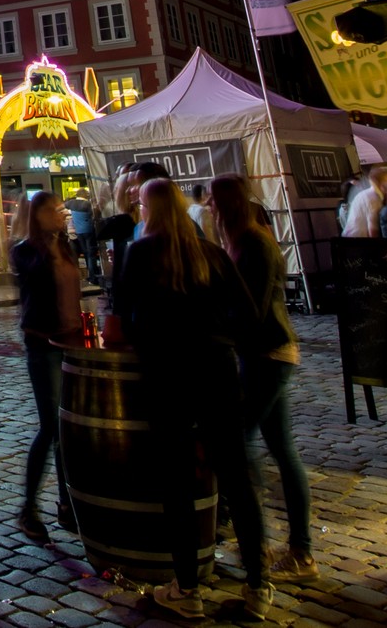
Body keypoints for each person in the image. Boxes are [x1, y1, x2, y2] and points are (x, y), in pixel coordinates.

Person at [115, 177, 269, 621]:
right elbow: (250, 314)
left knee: (177, 481)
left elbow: (122, 318)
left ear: (149, 209)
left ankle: (187, 587)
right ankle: (258, 585)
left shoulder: (141, 253)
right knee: (236, 479)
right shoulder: (211, 253)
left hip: (168, 376)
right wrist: (219, 336)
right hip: (217, 371)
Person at [211, 175, 315, 584]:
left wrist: (215, 319)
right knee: (281, 449)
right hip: (269, 351)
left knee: (238, 443)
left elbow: (250, 310)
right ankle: (296, 548)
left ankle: (264, 539)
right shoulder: (248, 240)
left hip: (267, 353)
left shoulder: (252, 244)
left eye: (216, 205)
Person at [11, 190, 82, 542]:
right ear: (37, 216)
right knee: (50, 425)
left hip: (71, 341)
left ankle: (67, 502)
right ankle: (29, 506)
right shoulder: (26, 252)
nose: (61, 214)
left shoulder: (66, 247)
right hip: (43, 343)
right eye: (54, 210)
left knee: (66, 429)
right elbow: (34, 286)